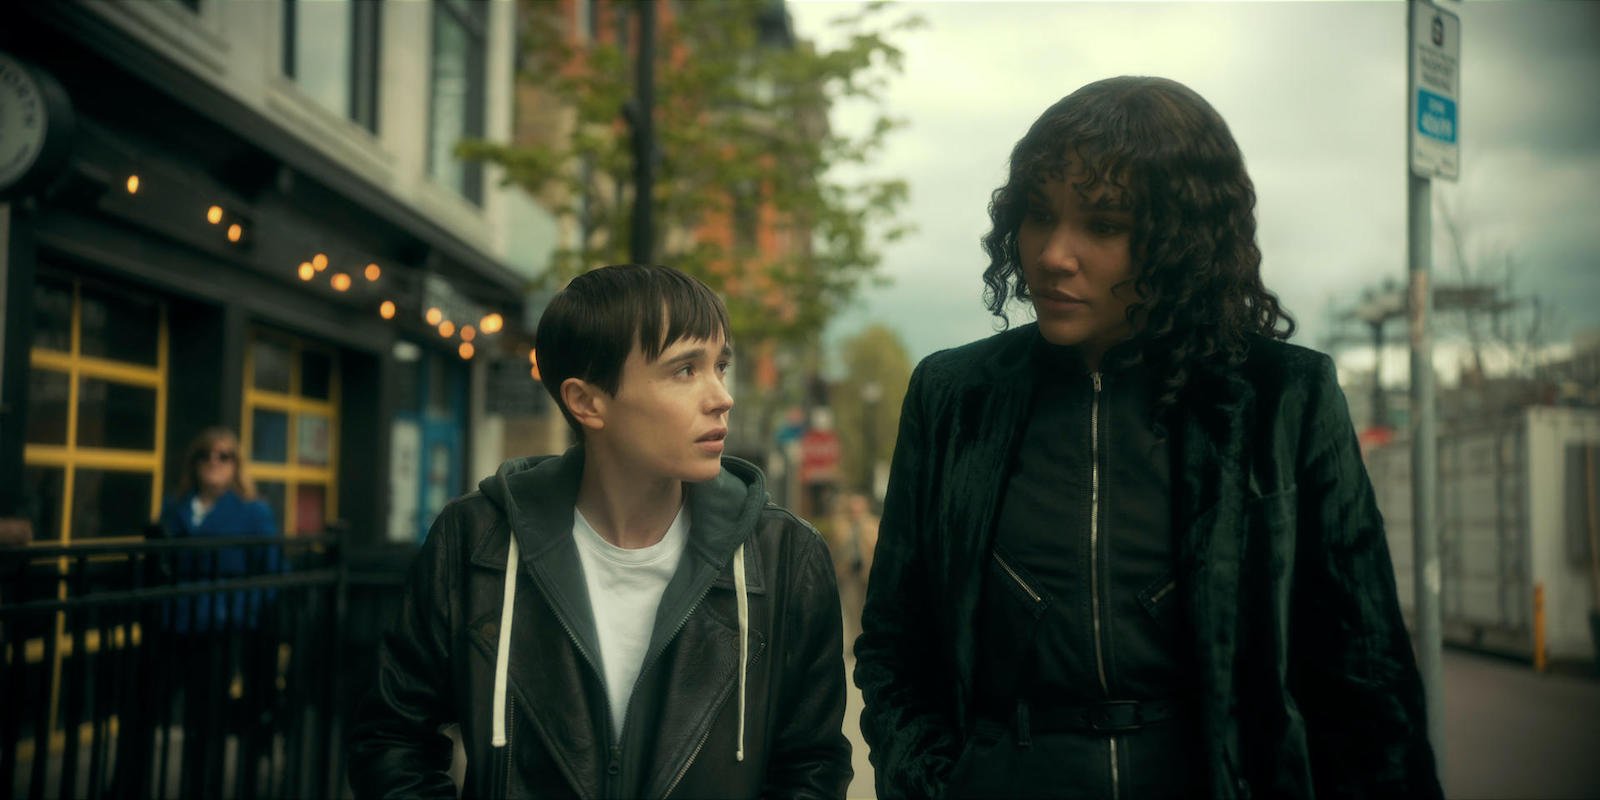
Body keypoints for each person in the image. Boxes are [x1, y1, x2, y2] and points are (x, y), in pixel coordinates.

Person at [854, 76, 1442, 799]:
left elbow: (1365, 672)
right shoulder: (954, 397)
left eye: (1103, 225)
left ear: (1181, 240)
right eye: (1039, 214)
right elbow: (896, 647)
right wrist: (933, 784)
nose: (1053, 254)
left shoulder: (1281, 398)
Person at [349, 264, 852, 799]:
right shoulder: (475, 540)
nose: (721, 396)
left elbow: (812, 769)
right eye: (685, 370)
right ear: (586, 402)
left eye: (720, 366)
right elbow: (392, 741)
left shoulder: (785, 556)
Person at [151, 425, 281, 797]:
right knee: (145, 708)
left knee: (206, 719)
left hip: (220, 629)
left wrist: (238, 610)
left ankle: (201, 788)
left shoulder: (253, 511)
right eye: (205, 455)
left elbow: (272, 571)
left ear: (236, 464)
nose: (214, 462)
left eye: (224, 456)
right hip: (172, 624)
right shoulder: (176, 507)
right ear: (193, 463)